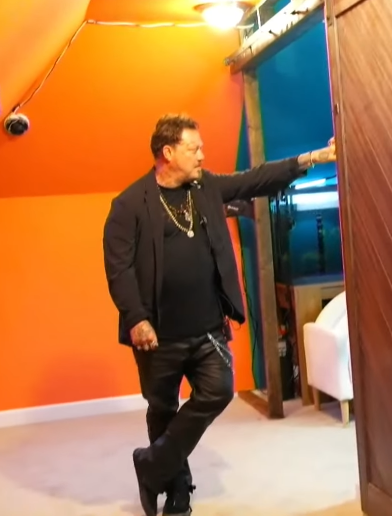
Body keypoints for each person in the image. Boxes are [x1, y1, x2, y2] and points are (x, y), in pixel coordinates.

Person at [102, 113, 337, 516]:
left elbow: (256, 179)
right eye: (194, 148)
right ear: (167, 152)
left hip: (208, 327)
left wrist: (313, 158)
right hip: (158, 335)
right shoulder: (128, 205)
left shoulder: (206, 187)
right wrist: (137, 318)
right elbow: (118, 269)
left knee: (219, 391)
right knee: (163, 409)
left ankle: (152, 464)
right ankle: (178, 492)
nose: (202, 155)